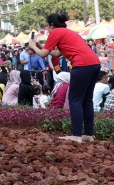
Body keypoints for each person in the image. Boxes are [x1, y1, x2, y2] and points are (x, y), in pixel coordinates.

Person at [29, 13, 101, 143]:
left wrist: (33, 46)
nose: (47, 29)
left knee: (75, 100)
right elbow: (57, 52)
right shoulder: (68, 32)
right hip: (94, 63)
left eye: (47, 26)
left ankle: (77, 135)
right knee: (86, 100)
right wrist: (40, 46)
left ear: (52, 25)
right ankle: (88, 134)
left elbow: (43, 54)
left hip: (82, 65)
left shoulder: (55, 33)